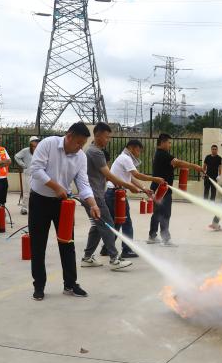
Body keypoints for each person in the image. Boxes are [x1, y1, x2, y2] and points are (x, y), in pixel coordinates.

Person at [27, 122, 100, 301]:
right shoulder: (48, 144)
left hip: (62, 204)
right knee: (38, 245)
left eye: (83, 144)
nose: (80, 147)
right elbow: (35, 169)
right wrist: (56, 186)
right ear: (68, 136)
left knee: (67, 243)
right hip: (39, 200)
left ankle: (70, 284)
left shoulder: (80, 157)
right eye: (78, 143)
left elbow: (83, 183)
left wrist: (93, 204)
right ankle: (39, 286)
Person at [80, 122, 136, 270]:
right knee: (108, 224)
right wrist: (129, 185)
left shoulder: (92, 151)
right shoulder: (96, 152)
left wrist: (120, 183)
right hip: (95, 196)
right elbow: (108, 174)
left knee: (98, 225)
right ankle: (114, 259)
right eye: (106, 137)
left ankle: (87, 257)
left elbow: (105, 176)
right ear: (97, 136)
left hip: (92, 194)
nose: (108, 140)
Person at [106, 139, 163, 258]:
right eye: (138, 150)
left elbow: (131, 178)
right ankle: (127, 250)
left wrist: (144, 189)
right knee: (126, 222)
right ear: (131, 148)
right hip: (116, 194)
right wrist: (155, 179)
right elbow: (137, 175)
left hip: (113, 193)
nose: (139, 154)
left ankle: (107, 248)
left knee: (117, 222)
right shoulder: (125, 158)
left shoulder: (123, 158)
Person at [147, 133, 204, 246]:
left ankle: (152, 236)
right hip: (163, 190)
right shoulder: (163, 154)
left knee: (157, 213)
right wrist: (195, 166)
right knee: (165, 213)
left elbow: (175, 164)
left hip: (157, 188)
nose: (170, 145)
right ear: (162, 142)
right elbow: (178, 162)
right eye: (169, 143)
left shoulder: (160, 154)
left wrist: (180, 165)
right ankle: (166, 239)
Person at [14, 136, 39, 215]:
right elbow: (16, 156)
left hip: (37, 175)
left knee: (36, 192)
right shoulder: (26, 150)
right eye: (35, 141)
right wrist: (23, 164)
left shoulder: (40, 150)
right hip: (28, 174)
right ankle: (24, 208)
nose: (36, 142)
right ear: (31, 142)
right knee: (26, 192)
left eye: (37, 141)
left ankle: (34, 208)